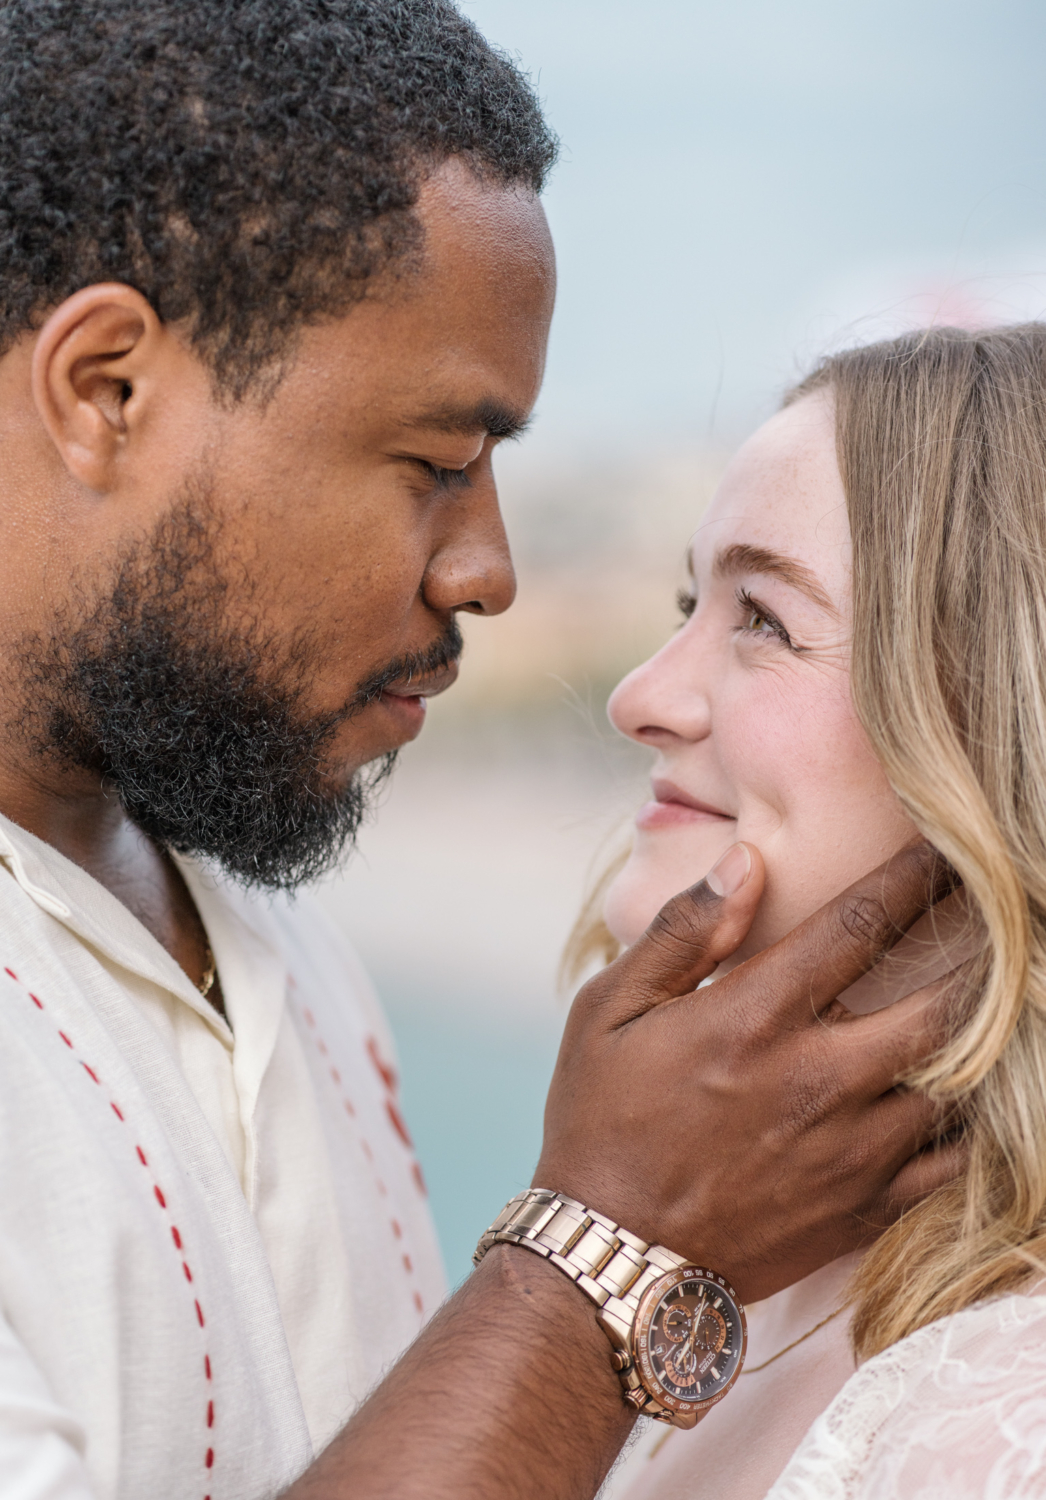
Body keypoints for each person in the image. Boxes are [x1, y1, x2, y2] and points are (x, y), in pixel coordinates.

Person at [0, 2, 961, 1497]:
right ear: (105, 390)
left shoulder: (261, 919)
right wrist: (612, 1239)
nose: (488, 572)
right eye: (436, 465)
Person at [571, 323, 1046, 1500]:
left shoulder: (1002, 1425)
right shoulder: (760, 1265)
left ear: (994, 724)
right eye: (690, 602)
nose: (641, 696)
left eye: (763, 621)